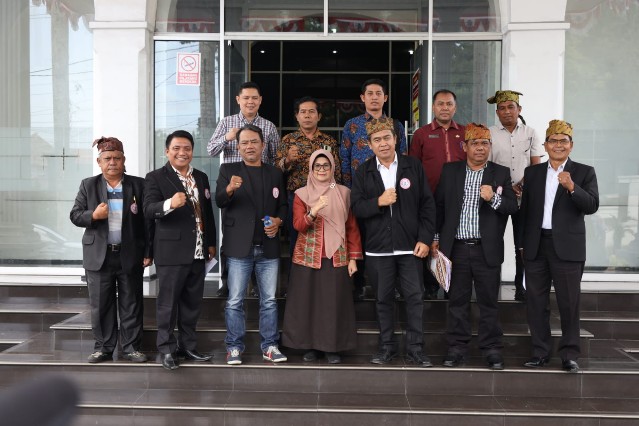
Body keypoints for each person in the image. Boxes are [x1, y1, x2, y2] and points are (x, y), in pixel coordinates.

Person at [432, 123, 518, 370]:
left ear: (490, 146)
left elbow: (512, 207)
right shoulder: (450, 171)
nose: (480, 148)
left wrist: (493, 198)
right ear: (465, 146)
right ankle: (456, 348)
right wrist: (436, 238)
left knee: (489, 302)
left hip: (486, 249)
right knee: (456, 301)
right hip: (456, 248)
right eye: (475, 143)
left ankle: (491, 349)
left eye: (484, 144)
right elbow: (439, 207)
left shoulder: (500, 173)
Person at [351, 117, 435, 367]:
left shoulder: (413, 166)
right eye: (377, 140)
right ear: (370, 144)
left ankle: (416, 349)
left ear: (396, 139)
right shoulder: (363, 171)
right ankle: (386, 347)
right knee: (383, 299)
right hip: (378, 249)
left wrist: (425, 239)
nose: (383, 143)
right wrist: (378, 201)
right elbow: (356, 207)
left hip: (410, 247)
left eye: (387, 137)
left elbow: (427, 205)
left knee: (415, 298)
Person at [519, 120, 599, 373]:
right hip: (536, 245)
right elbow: (525, 212)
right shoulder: (533, 173)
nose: (558, 145)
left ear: (571, 145)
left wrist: (572, 187)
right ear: (545, 145)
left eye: (563, 141)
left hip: (568, 248)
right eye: (553, 141)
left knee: (569, 303)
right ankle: (540, 352)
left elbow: (592, 205)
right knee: (536, 302)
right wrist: (521, 245)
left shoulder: (584, 172)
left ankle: (570, 354)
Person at [70, 137, 153, 364]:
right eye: (107, 158)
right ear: (99, 162)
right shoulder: (88, 185)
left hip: (130, 254)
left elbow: (147, 221)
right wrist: (93, 215)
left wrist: (149, 251)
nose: (112, 162)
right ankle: (103, 348)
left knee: (132, 303)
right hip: (99, 255)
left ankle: (132, 348)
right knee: (101, 304)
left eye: (117, 158)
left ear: (124, 160)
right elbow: (75, 215)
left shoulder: (138, 185)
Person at [215, 124, 288, 365]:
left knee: (269, 301)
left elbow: (283, 206)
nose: (249, 146)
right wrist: (229, 188)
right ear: (238, 147)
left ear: (263, 145)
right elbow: (219, 201)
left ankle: (270, 346)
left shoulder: (275, 173)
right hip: (239, 247)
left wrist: (278, 221)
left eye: (254, 142)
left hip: (268, 246)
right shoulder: (228, 170)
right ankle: (234, 347)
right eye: (244, 143)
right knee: (235, 300)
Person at [144, 130, 216, 370]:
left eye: (187, 148)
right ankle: (166, 349)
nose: (182, 152)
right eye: (176, 148)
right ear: (167, 151)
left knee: (192, 303)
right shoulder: (155, 177)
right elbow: (148, 210)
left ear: (192, 151)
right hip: (171, 251)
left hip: (198, 251)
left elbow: (207, 213)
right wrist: (169, 204)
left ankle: (188, 346)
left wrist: (210, 242)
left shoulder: (201, 177)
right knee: (168, 304)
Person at [282, 149, 362, 365]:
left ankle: (332, 348)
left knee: (333, 304)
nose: (321, 169)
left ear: (333, 168)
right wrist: (314, 210)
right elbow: (298, 225)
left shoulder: (344, 193)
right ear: (311, 168)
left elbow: (352, 227)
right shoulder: (301, 194)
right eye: (317, 166)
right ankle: (310, 347)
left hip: (337, 256)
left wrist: (353, 258)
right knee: (307, 303)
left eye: (326, 165)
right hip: (308, 257)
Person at [208, 81, 280, 297]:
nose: (250, 102)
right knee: (231, 235)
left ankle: (258, 284)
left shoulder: (268, 126)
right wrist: (227, 137)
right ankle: (227, 283)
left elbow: (274, 157)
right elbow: (211, 150)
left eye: (254, 98)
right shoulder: (227, 122)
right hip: (233, 185)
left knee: (259, 233)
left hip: (261, 184)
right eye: (246, 98)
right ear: (238, 100)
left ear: (260, 101)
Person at [340, 78, 407, 299]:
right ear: (363, 98)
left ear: (385, 97)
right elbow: (344, 160)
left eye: (379, 93)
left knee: (391, 237)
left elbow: (403, 158)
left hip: (390, 193)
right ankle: (358, 284)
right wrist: (349, 192)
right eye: (370, 93)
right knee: (358, 236)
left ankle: (392, 285)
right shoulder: (352, 125)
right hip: (361, 193)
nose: (374, 97)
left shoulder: (396, 125)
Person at [487, 90, 544, 302]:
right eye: (502, 108)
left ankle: (522, 287)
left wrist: (521, 185)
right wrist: (505, 188)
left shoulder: (530, 133)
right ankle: (491, 286)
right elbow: (488, 166)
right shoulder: (490, 133)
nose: (507, 111)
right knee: (493, 241)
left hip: (524, 196)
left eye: (511, 107)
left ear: (519, 109)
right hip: (498, 196)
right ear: (497, 112)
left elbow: (536, 166)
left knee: (522, 244)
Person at [409, 89, 466, 299]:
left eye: (449, 104)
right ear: (433, 107)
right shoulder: (422, 134)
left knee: (453, 242)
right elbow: (413, 168)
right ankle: (431, 288)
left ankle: (453, 288)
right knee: (429, 240)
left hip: (458, 200)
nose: (445, 108)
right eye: (440, 104)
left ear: (455, 108)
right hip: (429, 198)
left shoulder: (465, 132)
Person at [276, 96, 341, 260]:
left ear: (319, 116)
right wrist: (287, 160)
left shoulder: (329, 141)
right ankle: (296, 274)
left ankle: (321, 273)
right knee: (296, 237)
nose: (307, 115)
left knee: (324, 237)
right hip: (297, 198)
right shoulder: (288, 140)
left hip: (324, 198)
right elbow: (276, 171)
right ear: (297, 116)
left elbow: (337, 172)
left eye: (311, 112)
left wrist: (334, 194)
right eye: (303, 112)